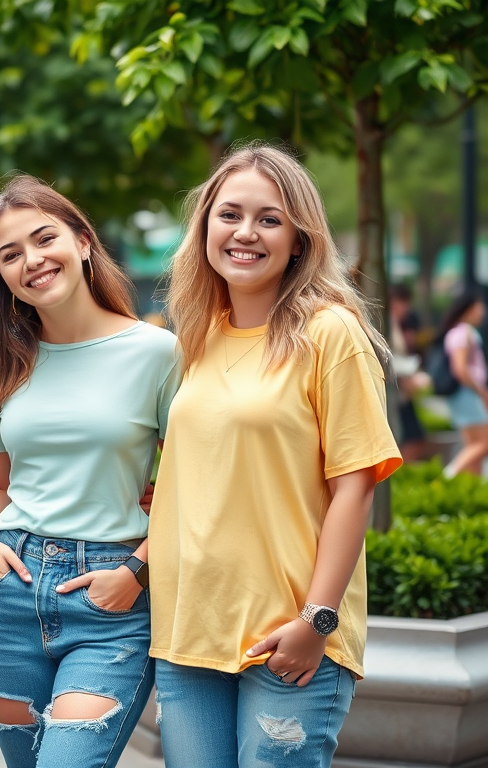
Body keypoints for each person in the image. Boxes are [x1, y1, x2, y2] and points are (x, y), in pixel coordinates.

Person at [149, 144, 402, 768]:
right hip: (189, 635)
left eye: (269, 219)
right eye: (229, 214)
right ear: (204, 225)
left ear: (300, 239)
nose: (245, 233)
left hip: (288, 635)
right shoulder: (194, 336)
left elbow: (355, 486)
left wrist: (315, 622)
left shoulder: (330, 333)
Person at [0, 175, 179, 768]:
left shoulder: (156, 353)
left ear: (83, 241)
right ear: (0, 274)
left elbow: (190, 487)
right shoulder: (2, 362)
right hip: (10, 593)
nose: (31, 261)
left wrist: (136, 570)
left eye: (43, 239)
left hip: (110, 595)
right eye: (10, 255)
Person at [438, 289, 488, 478]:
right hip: (467, 394)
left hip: (464, 394)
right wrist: (480, 391)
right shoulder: (464, 333)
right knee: (483, 443)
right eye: (479, 306)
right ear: (469, 308)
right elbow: (460, 369)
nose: (482, 311)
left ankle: (472, 486)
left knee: (473, 444)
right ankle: (447, 475)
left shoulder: (458, 332)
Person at [388, 284, 428, 463]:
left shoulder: (395, 323)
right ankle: (397, 478)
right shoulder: (386, 322)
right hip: (395, 393)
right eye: (403, 302)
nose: (406, 308)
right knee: (412, 440)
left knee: (412, 439)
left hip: (400, 392)